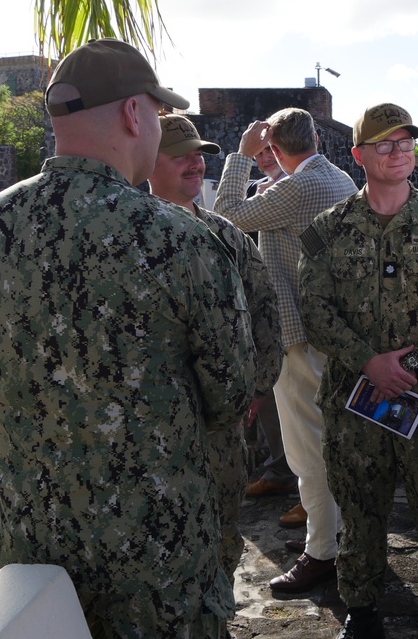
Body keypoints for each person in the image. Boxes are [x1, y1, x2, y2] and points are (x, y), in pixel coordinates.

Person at [0, 38, 257, 637]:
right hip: (157, 560)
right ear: (131, 113)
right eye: (158, 113)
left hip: (36, 552)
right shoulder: (181, 240)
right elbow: (229, 393)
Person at [299, 103, 418, 638]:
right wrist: (369, 362)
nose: (399, 152)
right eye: (385, 144)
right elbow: (314, 310)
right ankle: (361, 612)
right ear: (358, 154)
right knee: (360, 510)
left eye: (407, 141)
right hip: (354, 399)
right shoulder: (328, 229)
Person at [213, 107, 356, 593]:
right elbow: (278, 199)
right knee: (327, 442)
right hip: (330, 331)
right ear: (317, 136)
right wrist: (269, 162)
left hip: (301, 337)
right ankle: (332, 537)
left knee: (307, 450)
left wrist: (239, 157)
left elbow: (224, 216)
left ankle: (323, 553)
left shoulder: (298, 188)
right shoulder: (332, 177)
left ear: (273, 149)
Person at [147, 113, 282, 583]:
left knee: (224, 539)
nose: (194, 164)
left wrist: (260, 385)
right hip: (153, 438)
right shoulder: (127, 239)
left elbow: (265, 311)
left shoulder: (227, 235)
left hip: (223, 435)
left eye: (199, 155)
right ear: (148, 160)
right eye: (178, 155)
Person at [243, 143, 297, 497]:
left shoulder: (297, 187)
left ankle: (304, 488)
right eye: (259, 152)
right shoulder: (256, 191)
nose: (265, 158)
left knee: (297, 407)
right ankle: (279, 470)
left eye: (271, 150)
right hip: (259, 304)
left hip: (294, 313)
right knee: (265, 395)